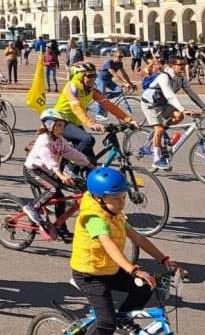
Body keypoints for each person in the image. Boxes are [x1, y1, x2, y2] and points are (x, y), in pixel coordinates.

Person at [63, 167, 185, 335]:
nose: (121, 203)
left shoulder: (116, 214)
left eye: (123, 197)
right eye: (116, 199)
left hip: (108, 269)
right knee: (106, 323)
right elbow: (109, 246)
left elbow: (138, 237)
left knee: (146, 286)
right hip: (90, 274)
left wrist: (164, 259)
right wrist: (133, 269)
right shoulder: (95, 218)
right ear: (98, 198)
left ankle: (125, 317)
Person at [23, 109, 90, 242]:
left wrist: (89, 164)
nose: (62, 129)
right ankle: (32, 207)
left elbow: (72, 153)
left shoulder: (60, 140)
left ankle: (61, 229)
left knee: (61, 198)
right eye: (59, 126)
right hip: (33, 171)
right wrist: (61, 175)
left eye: (63, 126)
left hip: (48, 171)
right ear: (49, 125)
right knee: (53, 189)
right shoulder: (44, 140)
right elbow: (49, 160)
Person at [54, 62, 138, 165]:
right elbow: (76, 107)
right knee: (88, 139)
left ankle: (80, 175)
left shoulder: (91, 89)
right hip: (60, 121)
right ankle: (68, 165)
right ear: (79, 76)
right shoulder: (72, 87)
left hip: (75, 122)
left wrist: (129, 120)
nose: (93, 78)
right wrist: (91, 123)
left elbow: (108, 105)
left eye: (95, 75)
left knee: (91, 162)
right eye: (89, 75)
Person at [140, 55, 205, 170]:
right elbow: (169, 95)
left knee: (179, 116)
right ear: (172, 66)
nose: (183, 67)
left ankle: (161, 136)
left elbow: (191, 94)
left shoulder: (181, 78)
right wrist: (184, 109)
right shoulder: (164, 76)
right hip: (150, 104)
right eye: (180, 65)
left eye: (184, 64)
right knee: (160, 129)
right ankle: (156, 160)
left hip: (163, 103)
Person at [94, 49, 135, 121]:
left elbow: (124, 74)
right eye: (119, 57)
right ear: (113, 56)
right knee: (101, 96)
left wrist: (130, 83)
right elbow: (115, 75)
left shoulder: (120, 63)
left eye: (122, 57)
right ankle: (98, 114)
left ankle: (104, 99)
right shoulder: (108, 62)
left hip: (109, 80)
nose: (121, 58)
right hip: (101, 80)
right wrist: (124, 83)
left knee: (119, 91)